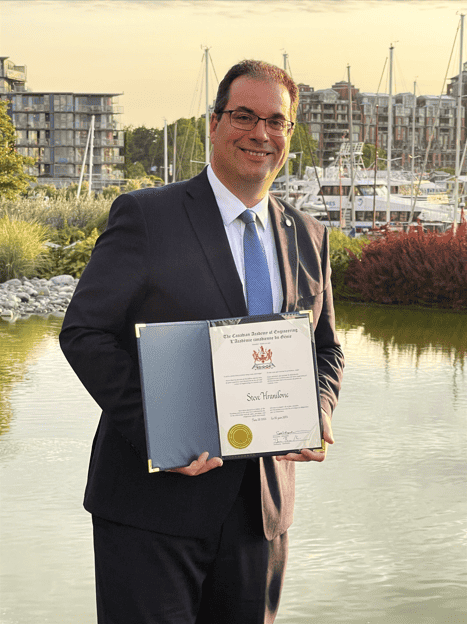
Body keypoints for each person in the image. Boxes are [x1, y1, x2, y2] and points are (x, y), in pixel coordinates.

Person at [60, 59, 344, 624]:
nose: (259, 133)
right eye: (243, 116)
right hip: (152, 511)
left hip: (261, 517)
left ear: (289, 133)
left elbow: (326, 349)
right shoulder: (147, 216)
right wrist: (159, 433)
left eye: (275, 121)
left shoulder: (310, 236)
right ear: (213, 123)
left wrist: (316, 409)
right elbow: (84, 332)